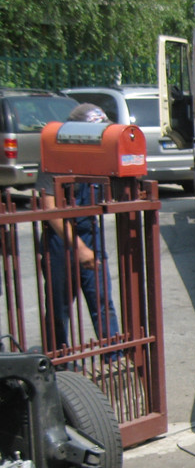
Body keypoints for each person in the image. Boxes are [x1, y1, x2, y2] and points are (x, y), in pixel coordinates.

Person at [36, 103, 121, 358]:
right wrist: (80, 248)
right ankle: (60, 361)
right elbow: (49, 208)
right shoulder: (53, 155)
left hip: (90, 234)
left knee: (102, 300)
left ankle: (114, 355)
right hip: (60, 242)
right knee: (59, 307)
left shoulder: (95, 156)